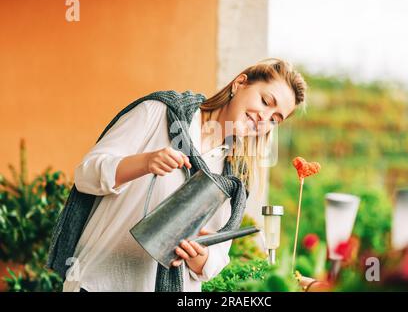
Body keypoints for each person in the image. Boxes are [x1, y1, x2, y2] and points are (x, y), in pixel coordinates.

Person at [62, 58, 307, 292]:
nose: (264, 118)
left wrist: (200, 257)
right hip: (101, 282)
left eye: (275, 120)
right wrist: (145, 162)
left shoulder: (235, 178)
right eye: (265, 101)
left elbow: (216, 258)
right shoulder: (158, 113)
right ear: (239, 83)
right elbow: (86, 175)